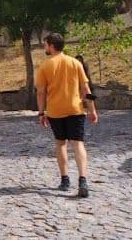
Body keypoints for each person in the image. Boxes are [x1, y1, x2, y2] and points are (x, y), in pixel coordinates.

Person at [36, 34, 98, 198]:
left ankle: (65, 180)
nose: (44, 48)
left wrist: (42, 112)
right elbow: (86, 90)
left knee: (61, 144)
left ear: (50, 45)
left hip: (55, 111)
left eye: (45, 45)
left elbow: (41, 92)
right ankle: (83, 180)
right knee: (78, 144)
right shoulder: (75, 63)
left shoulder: (45, 66)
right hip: (75, 109)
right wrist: (92, 110)